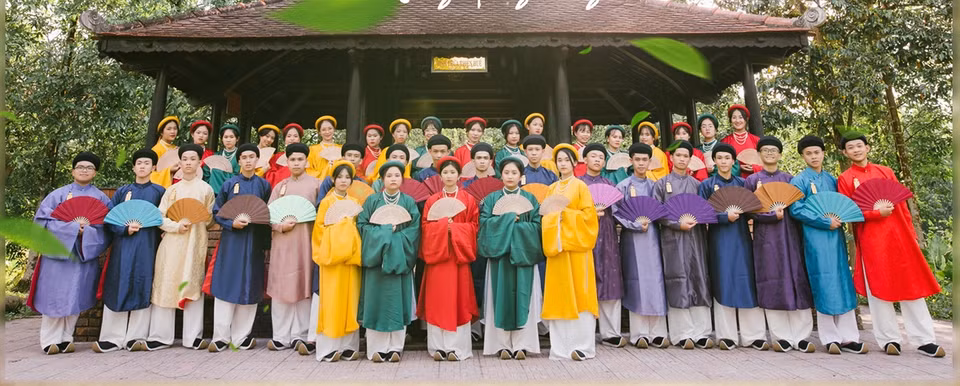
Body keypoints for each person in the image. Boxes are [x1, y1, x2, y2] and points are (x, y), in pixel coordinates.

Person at [837, 133, 945, 358]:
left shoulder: (886, 172)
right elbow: (848, 213)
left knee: (911, 287)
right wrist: (876, 213)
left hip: (899, 238)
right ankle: (889, 340)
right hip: (870, 241)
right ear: (844, 153)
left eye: (859, 145)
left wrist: (911, 233)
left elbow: (902, 205)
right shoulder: (845, 179)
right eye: (851, 147)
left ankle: (924, 340)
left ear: (867, 148)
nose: (856, 150)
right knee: (877, 289)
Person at [789, 135, 865, 355]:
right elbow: (796, 210)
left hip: (836, 238)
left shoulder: (833, 179)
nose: (814, 156)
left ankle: (850, 338)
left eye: (817, 152)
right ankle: (830, 337)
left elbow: (843, 205)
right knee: (822, 282)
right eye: (809, 153)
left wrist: (837, 220)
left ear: (824, 153)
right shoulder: (799, 180)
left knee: (843, 282)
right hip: (815, 238)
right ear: (803, 156)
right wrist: (824, 221)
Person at [29, 152, 111, 355]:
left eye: (89, 167)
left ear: (95, 172)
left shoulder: (101, 198)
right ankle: (49, 341)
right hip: (57, 255)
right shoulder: (57, 195)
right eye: (80, 167)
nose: (84, 170)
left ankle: (66, 339)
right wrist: (72, 229)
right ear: (73, 170)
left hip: (82, 253)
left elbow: (106, 229)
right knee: (53, 296)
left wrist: (86, 232)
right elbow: (42, 222)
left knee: (76, 295)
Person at [743, 136, 815, 353]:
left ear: (780, 154)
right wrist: (770, 216)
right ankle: (781, 336)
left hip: (790, 237)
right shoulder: (752, 180)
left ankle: (802, 336)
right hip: (766, 239)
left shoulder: (789, 179)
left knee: (796, 280)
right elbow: (749, 210)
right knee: (772, 281)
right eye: (765, 150)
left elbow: (797, 207)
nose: (770, 153)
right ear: (759, 154)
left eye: (774, 150)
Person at [95, 149, 165, 353]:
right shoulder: (122, 192)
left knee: (143, 283)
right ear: (133, 167)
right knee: (119, 281)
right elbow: (109, 219)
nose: (142, 166)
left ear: (154, 167)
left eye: (147, 163)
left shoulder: (160, 192)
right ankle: (111, 337)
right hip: (122, 246)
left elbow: (164, 218)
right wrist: (124, 229)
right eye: (139, 163)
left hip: (148, 245)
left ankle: (137, 336)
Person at [145, 144, 215, 351]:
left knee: (192, 283)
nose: (188, 163)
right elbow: (159, 216)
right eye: (184, 159)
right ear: (180, 162)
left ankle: (192, 336)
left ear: (199, 162)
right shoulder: (172, 189)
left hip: (195, 242)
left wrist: (196, 220)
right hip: (172, 243)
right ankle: (160, 336)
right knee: (166, 282)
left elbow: (209, 219)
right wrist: (176, 225)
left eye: (192, 159)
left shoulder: (206, 189)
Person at [699, 143, 767, 351]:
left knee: (746, 281)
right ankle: (726, 335)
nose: (723, 161)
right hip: (719, 239)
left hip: (742, 238)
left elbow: (753, 208)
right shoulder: (707, 185)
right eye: (719, 158)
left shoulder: (743, 183)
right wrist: (722, 217)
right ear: (714, 161)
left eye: (727, 158)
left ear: (733, 161)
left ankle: (754, 335)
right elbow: (702, 213)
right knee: (723, 280)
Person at [207, 143, 272, 352]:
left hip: (254, 242)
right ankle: (220, 337)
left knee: (250, 287)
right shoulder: (229, 184)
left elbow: (267, 213)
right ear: (240, 161)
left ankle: (242, 336)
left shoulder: (264, 185)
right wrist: (231, 223)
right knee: (227, 285)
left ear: (257, 160)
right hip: (231, 242)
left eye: (252, 157)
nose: (248, 161)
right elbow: (218, 212)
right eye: (244, 157)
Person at [478, 157, 543, 360]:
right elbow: (484, 224)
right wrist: (508, 219)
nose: (510, 176)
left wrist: (516, 225)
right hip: (500, 257)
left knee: (525, 297)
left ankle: (523, 344)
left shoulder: (531, 199)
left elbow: (537, 226)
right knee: (500, 298)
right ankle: (501, 344)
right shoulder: (491, 200)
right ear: (500, 175)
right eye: (506, 172)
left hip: (523, 255)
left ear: (521, 176)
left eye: (514, 173)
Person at [356, 161, 421, 362]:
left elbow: (414, 229)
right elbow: (362, 226)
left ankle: (395, 348)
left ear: (402, 179)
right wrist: (386, 231)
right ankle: (376, 348)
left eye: (397, 175)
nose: (393, 179)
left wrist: (395, 237)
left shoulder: (409, 202)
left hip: (400, 258)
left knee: (397, 302)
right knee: (376, 302)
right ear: (382, 179)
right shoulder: (372, 201)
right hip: (377, 260)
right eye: (389, 175)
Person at [419, 156, 480, 361]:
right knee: (438, 300)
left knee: (458, 299)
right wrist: (442, 226)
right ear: (440, 175)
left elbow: (474, 226)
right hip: (438, 258)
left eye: (453, 172)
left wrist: (455, 228)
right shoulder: (432, 200)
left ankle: (457, 348)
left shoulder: (468, 200)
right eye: (445, 172)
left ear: (459, 175)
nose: (449, 176)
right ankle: (438, 347)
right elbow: (425, 228)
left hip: (458, 257)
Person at [542, 144, 599, 361]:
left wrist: (565, 214)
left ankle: (582, 346)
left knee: (581, 294)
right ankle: (560, 348)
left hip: (578, 250)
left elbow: (589, 218)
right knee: (560, 295)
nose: (563, 164)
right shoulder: (551, 189)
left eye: (567, 160)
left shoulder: (581, 187)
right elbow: (545, 217)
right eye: (559, 160)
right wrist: (554, 218)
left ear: (575, 163)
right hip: (558, 249)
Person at [653, 140, 713, 350]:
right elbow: (657, 213)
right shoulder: (661, 184)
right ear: (671, 158)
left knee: (699, 278)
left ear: (690, 160)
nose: (681, 159)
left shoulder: (698, 185)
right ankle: (682, 334)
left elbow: (708, 211)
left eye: (685, 156)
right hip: (672, 239)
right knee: (677, 279)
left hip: (696, 238)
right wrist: (676, 223)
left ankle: (702, 333)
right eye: (678, 155)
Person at [267, 143, 322, 354]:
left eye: (300, 159)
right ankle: (280, 336)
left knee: (303, 285)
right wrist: (280, 226)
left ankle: (301, 334)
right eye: (292, 159)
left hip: (306, 243)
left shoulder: (316, 185)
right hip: (282, 242)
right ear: (287, 162)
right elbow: (269, 215)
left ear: (307, 161)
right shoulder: (279, 186)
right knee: (281, 287)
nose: (296, 163)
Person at [614, 143, 669, 349]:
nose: (641, 163)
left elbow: (662, 210)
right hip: (632, 240)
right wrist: (634, 224)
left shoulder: (656, 186)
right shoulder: (623, 186)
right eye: (637, 159)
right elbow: (617, 213)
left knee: (655, 280)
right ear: (631, 161)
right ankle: (639, 334)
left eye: (644, 160)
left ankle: (657, 332)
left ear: (650, 162)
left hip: (653, 237)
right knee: (635, 281)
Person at [313, 160, 365, 362]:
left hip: (350, 259)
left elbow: (360, 229)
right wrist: (341, 229)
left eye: (347, 177)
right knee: (332, 300)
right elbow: (319, 231)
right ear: (333, 179)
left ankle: (348, 347)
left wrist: (348, 230)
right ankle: (328, 347)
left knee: (350, 301)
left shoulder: (355, 203)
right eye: (339, 177)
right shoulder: (326, 202)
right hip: (332, 258)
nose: (343, 180)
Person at [578, 143, 624, 348]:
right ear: (584, 160)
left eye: (600, 157)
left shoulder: (610, 185)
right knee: (584, 281)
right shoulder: (577, 185)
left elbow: (620, 213)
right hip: (583, 236)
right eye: (593, 156)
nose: (597, 160)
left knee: (610, 280)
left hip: (607, 235)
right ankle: (584, 331)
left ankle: (611, 332)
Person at [719, 104, 762, 178]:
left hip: (754, 181)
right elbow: (720, 164)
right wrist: (738, 168)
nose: (737, 121)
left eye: (741, 117)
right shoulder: (725, 141)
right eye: (734, 117)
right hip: (733, 182)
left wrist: (755, 168)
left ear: (746, 119)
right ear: (730, 120)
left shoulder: (756, 140)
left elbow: (766, 163)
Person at [264, 123, 304, 187]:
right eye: (289, 136)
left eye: (295, 136)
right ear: (285, 140)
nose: (292, 138)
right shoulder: (276, 157)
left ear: (300, 139)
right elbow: (270, 177)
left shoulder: (307, 157)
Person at [206, 124, 241, 195]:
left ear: (237, 139)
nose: (228, 140)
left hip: (233, 192)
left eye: (231, 137)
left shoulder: (241, 156)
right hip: (214, 194)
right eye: (225, 137)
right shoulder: (215, 156)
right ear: (222, 139)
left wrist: (216, 173)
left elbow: (240, 176)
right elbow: (206, 174)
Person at [150, 116, 180, 188]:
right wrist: (169, 170)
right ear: (161, 132)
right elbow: (151, 174)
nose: (172, 131)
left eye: (175, 128)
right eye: (169, 129)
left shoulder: (176, 149)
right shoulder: (156, 150)